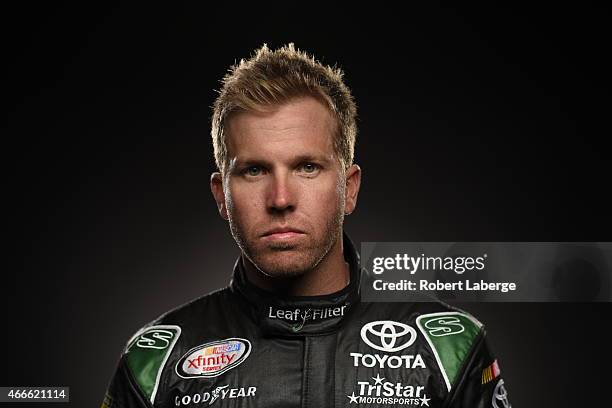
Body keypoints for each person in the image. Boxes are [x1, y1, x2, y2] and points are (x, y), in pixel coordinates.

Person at [101, 43, 511, 408]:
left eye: (307, 167)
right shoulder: (155, 361)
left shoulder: (449, 347)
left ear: (348, 189)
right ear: (221, 195)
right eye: (255, 170)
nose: (280, 199)